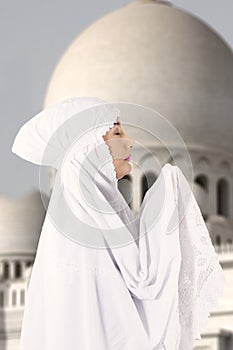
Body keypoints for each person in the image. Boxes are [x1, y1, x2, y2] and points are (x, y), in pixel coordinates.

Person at [11, 97, 227, 350]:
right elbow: (132, 301)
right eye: (116, 132)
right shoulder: (77, 241)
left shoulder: (103, 218)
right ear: (89, 150)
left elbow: (136, 284)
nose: (130, 141)